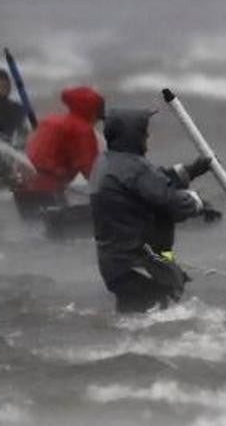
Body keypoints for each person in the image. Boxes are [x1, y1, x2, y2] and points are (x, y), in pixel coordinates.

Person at [89, 108, 215, 313]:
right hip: (139, 262)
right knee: (159, 317)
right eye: (142, 131)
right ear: (132, 135)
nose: (147, 135)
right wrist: (198, 202)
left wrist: (191, 170)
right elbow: (169, 200)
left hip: (116, 265)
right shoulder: (133, 168)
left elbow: (154, 182)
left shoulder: (107, 161)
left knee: (133, 319)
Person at [13, 86, 105, 219]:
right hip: (47, 188)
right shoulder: (82, 130)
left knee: (32, 228)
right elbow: (90, 169)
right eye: (98, 117)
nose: (97, 122)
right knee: (56, 232)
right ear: (92, 112)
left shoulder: (50, 121)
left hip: (22, 186)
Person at [0, 68, 30, 145]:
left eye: (4, 87)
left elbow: (24, 133)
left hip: (12, 149)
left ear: (9, 87)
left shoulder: (17, 109)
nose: (1, 90)